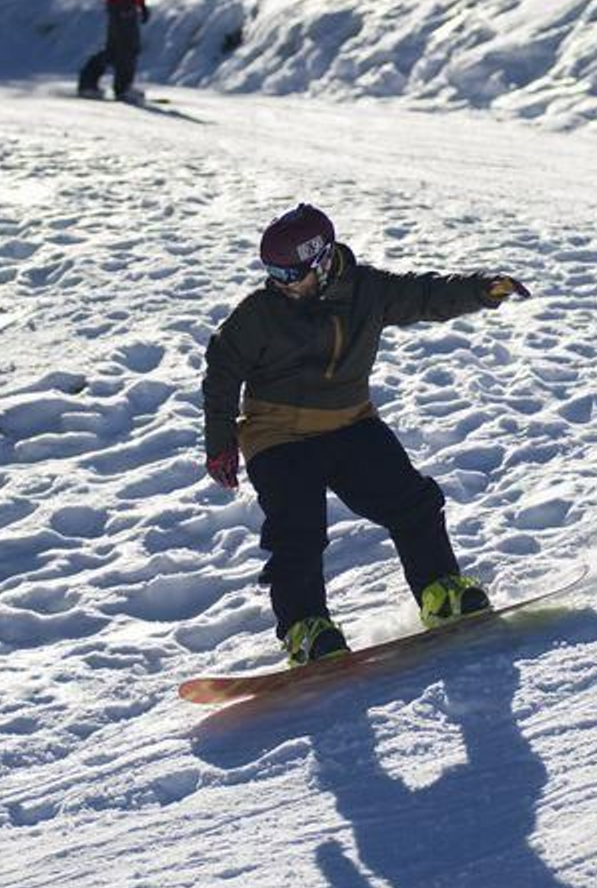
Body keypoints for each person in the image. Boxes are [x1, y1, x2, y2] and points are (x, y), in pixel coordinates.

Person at [201, 204, 531, 666]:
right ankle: (306, 629)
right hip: (277, 434)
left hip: (350, 422)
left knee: (412, 501)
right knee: (298, 531)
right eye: (271, 272)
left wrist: (480, 290)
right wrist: (221, 442)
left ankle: (442, 590)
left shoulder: (367, 291)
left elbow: (424, 294)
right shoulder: (260, 314)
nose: (279, 282)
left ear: (321, 261)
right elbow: (222, 369)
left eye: (288, 272)